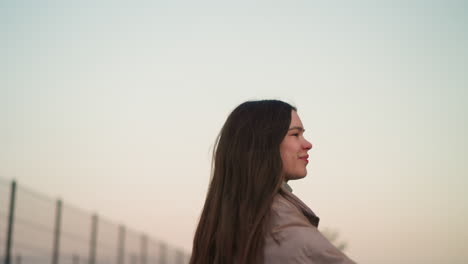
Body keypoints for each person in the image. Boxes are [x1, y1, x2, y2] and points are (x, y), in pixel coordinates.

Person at [190, 100, 356, 264]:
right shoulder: (281, 223)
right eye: (295, 134)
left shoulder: (224, 222)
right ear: (264, 144)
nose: (308, 144)